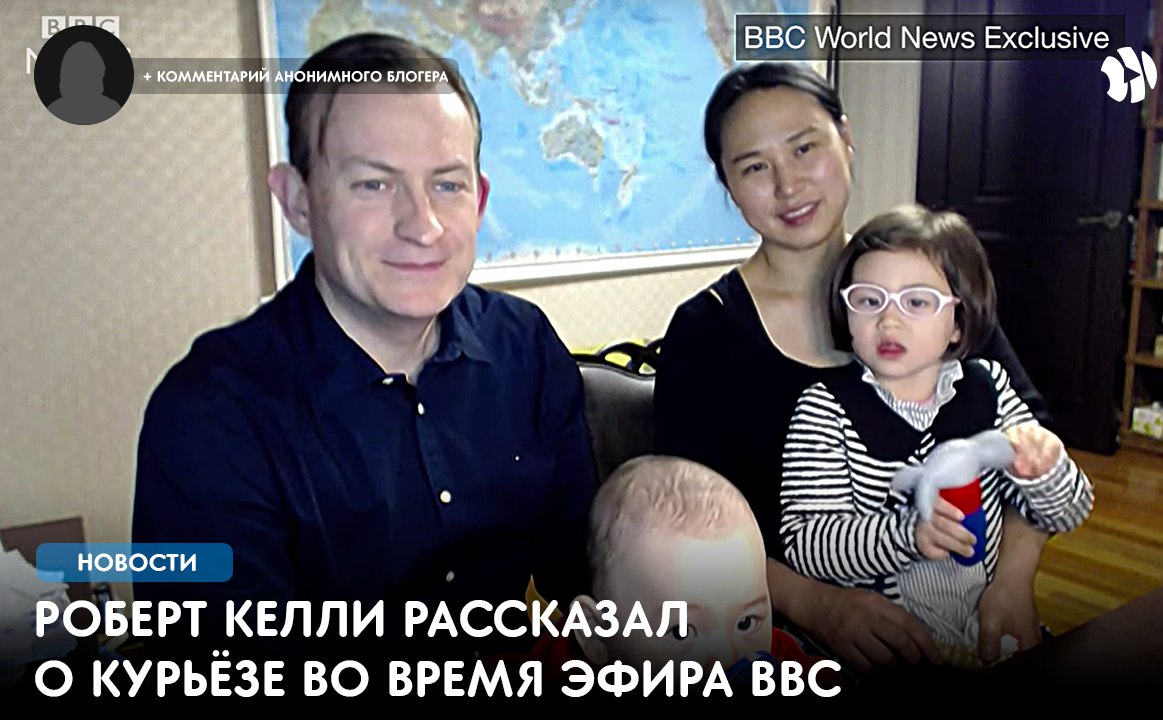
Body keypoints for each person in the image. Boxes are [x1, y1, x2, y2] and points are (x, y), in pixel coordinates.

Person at [131, 33, 596, 667]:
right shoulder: (211, 415)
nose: (423, 225)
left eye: (448, 185)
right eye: (374, 185)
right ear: (298, 201)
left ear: (480, 200)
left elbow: (584, 582)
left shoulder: (527, 347)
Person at [654, 61, 1056, 673]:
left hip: (967, 616)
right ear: (728, 186)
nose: (788, 185)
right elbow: (688, 526)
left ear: (846, 138)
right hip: (779, 638)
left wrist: (1013, 584)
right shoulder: (705, 332)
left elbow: (1033, 448)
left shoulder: (928, 282)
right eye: (755, 167)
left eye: (804, 148)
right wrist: (818, 605)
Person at [777, 204, 1094, 670]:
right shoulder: (825, 407)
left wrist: (1046, 473)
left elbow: (1069, 510)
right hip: (883, 647)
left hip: (984, 632)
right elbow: (807, 544)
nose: (889, 321)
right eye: (869, 300)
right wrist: (908, 534)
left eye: (917, 302)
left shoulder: (989, 389)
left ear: (958, 322)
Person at [486, 455, 842, 701]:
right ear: (597, 635)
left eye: (746, 622)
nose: (728, 659)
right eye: (682, 631)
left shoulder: (777, 663)